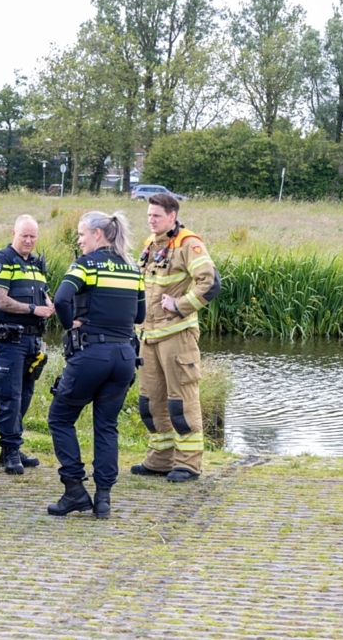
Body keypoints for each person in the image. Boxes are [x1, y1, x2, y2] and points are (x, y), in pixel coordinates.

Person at [47, 211, 144, 519]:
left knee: (60, 418)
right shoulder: (132, 269)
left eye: (81, 234)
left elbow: (62, 299)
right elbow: (139, 317)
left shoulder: (85, 265)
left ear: (98, 235)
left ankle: (74, 489)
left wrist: (69, 326)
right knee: (106, 426)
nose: (79, 240)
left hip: (92, 354)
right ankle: (103, 499)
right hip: (125, 358)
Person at [132, 194, 220, 482]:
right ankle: (160, 460)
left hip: (176, 335)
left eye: (156, 215)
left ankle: (188, 464)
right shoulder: (150, 244)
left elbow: (210, 282)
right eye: (149, 215)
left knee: (180, 402)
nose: (151, 219)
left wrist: (181, 305)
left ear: (172, 216)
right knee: (150, 402)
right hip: (149, 336)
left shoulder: (188, 244)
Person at [0, 215, 55, 474]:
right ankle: (10, 449)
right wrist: (33, 309)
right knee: (10, 397)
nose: (28, 240)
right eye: (24, 235)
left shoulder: (36, 264)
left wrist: (49, 305)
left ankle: (11, 448)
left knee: (25, 396)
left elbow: (43, 293)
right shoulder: (2, 260)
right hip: (9, 340)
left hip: (32, 340)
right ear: (13, 232)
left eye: (33, 236)